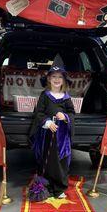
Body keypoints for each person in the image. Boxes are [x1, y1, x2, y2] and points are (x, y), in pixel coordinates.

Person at [30, 65, 75, 199]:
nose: (57, 79)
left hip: (62, 138)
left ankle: (59, 188)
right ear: (49, 79)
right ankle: (46, 187)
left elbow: (72, 113)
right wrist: (47, 122)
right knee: (47, 161)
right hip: (47, 135)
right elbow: (39, 113)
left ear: (64, 80)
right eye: (54, 76)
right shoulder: (45, 95)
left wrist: (65, 117)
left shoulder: (66, 98)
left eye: (60, 77)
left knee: (61, 162)